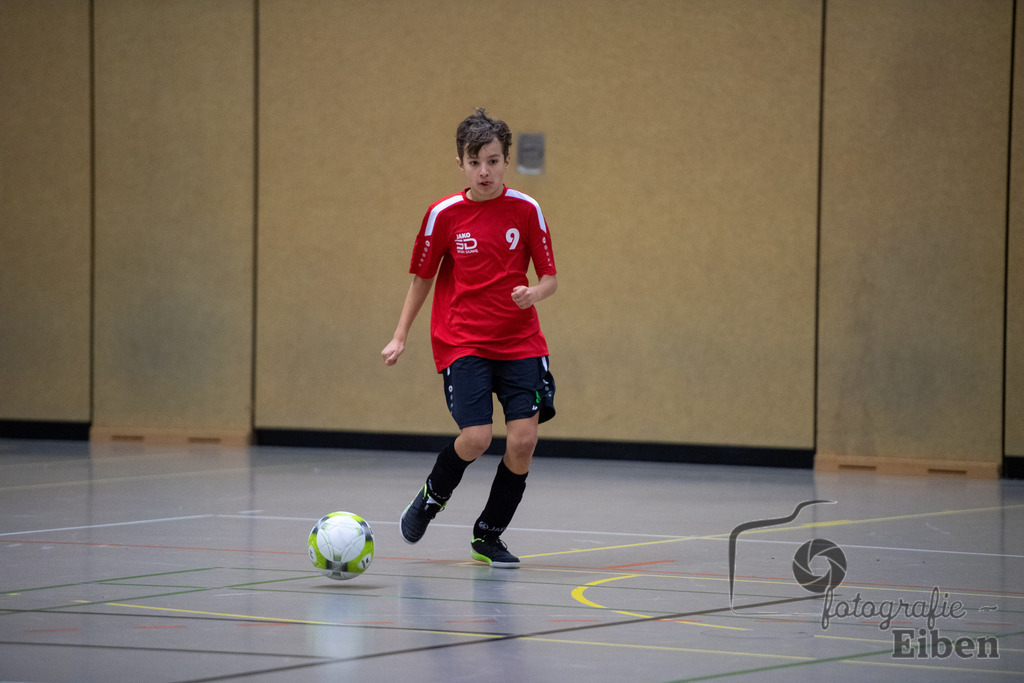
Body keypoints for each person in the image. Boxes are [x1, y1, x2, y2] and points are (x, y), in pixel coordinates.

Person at [381, 108, 558, 568]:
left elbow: (550, 280)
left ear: (506, 161)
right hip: (463, 341)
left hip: (521, 342)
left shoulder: (527, 209)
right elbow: (421, 279)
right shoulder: (443, 215)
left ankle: (488, 535)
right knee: (477, 437)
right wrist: (400, 336)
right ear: (460, 162)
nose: (485, 171)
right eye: (475, 161)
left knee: (523, 441)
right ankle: (432, 496)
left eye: (494, 161)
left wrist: (533, 292)